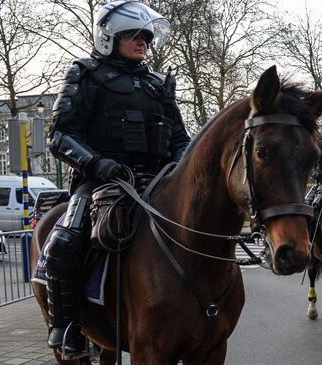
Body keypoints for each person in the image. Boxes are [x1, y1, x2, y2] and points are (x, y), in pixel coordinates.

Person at [44, 0, 190, 358]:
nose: (143, 42)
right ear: (109, 37)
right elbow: (60, 134)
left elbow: (180, 138)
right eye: (134, 35)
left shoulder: (158, 84)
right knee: (65, 241)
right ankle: (67, 327)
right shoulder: (85, 74)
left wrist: (180, 166)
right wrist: (98, 164)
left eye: (146, 37)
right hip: (100, 180)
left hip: (157, 181)